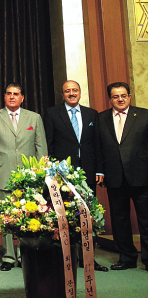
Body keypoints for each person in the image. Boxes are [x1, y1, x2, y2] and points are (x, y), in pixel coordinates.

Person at [45, 80, 108, 272]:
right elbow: (49, 143)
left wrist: (99, 169)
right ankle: (66, 256)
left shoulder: (92, 114)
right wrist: (51, 171)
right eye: (67, 91)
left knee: (88, 214)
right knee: (64, 214)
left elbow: (97, 144)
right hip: (62, 173)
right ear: (62, 94)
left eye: (75, 90)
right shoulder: (52, 113)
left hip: (88, 172)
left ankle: (88, 258)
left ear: (80, 93)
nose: (71, 93)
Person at [0, 83, 47, 271]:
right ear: (4, 97)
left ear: (22, 98)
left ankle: (25, 253)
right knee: (6, 218)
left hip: (28, 176)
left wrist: (41, 175)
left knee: (28, 216)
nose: (12, 97)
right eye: (9, 94)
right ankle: (9, 256)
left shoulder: (34, 118)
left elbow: (41, 148)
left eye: (16, 94)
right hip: (3, 173)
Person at [96, 82, 148, 271]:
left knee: (146, 219)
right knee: (119, 220)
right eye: (116, 96)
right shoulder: (100, 119)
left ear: (129, 96)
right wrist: (100, 171)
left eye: (123, 95)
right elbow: (98, 149)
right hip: (114, 177)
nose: (120, 99)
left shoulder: (144, 115)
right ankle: (127, 258)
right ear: (110, 99)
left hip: (142, 176)